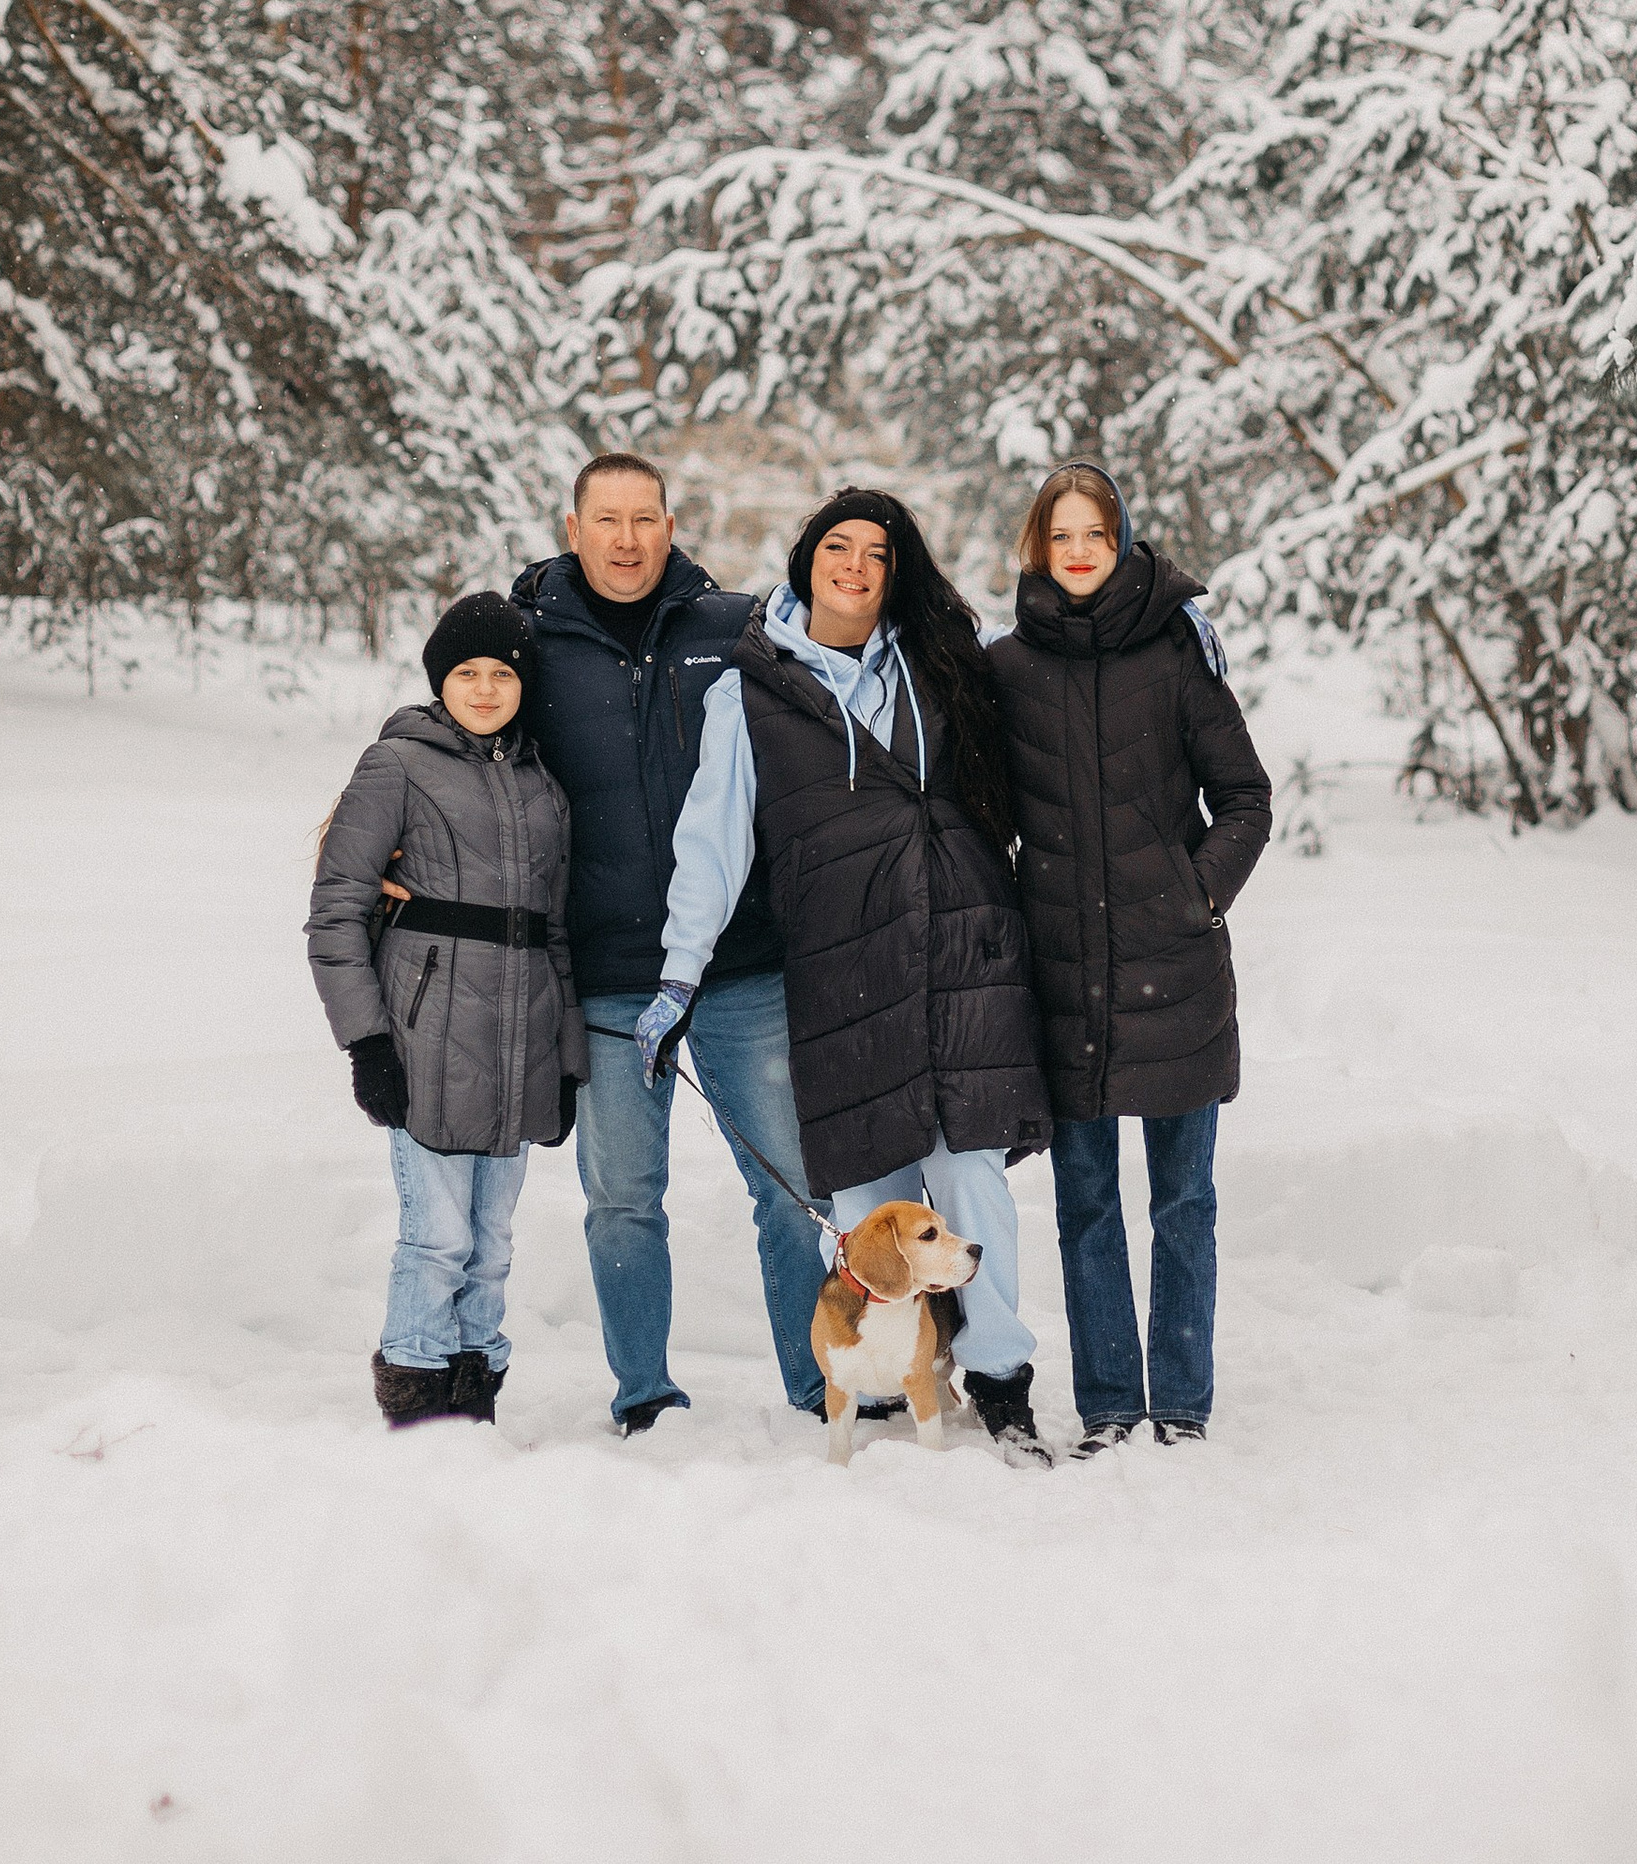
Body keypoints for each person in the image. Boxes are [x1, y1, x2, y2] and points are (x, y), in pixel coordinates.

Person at [648, 488, 1058, 1464]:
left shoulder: (946, 657)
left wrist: (1159, 630)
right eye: (839, 545)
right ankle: (888, 1376)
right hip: (844, 972)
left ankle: (1001, 1382)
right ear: (807, 560)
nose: (857, 566)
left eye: (878, 552)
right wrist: (677, 976)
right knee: (865, 1205)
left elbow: (1055, 663)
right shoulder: (749, 693)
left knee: (969, 1180)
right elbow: (710, 844)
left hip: (961, 952)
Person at [504, 453, 828, 1434]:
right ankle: (644, 1393)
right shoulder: (528, 643)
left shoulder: (730, 628)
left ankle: (819, 1385)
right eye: (606, 520)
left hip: (739, 962)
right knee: (622, 1201)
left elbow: (842, 692)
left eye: (644, 518)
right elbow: (459, 748)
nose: (627, 539)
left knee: (791, 1189)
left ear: (670, 525)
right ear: (573, 530)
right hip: (605, 975)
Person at [986, 464, 1270, 1453]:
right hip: (1065, 983)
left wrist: (1197, 894)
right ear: (1038, 546)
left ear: (1120, 541)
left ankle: (1181, 1403)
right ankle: (1109, 1402)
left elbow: (1245, 797)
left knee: (1183, 1202)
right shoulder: (1008, 667)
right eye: (1060, 535)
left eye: (1094, 535)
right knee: (1087, 1205)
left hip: (1175, 975)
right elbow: (986, 812)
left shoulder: (1176, 652)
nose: (1078, 552)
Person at [305, 593, 587, 1431]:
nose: (486, 689)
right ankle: (419, 1395)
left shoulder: (543, 785)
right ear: (440, 681)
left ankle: (473, 1398)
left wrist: (567, 1060)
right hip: (426, 1036)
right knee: (437, 1240)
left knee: (491, 1246)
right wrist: (367, 1043)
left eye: (503, 673)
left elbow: (555, 933)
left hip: (520, 1044)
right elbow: (335, 913)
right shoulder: (396, 764)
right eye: (468, 673)